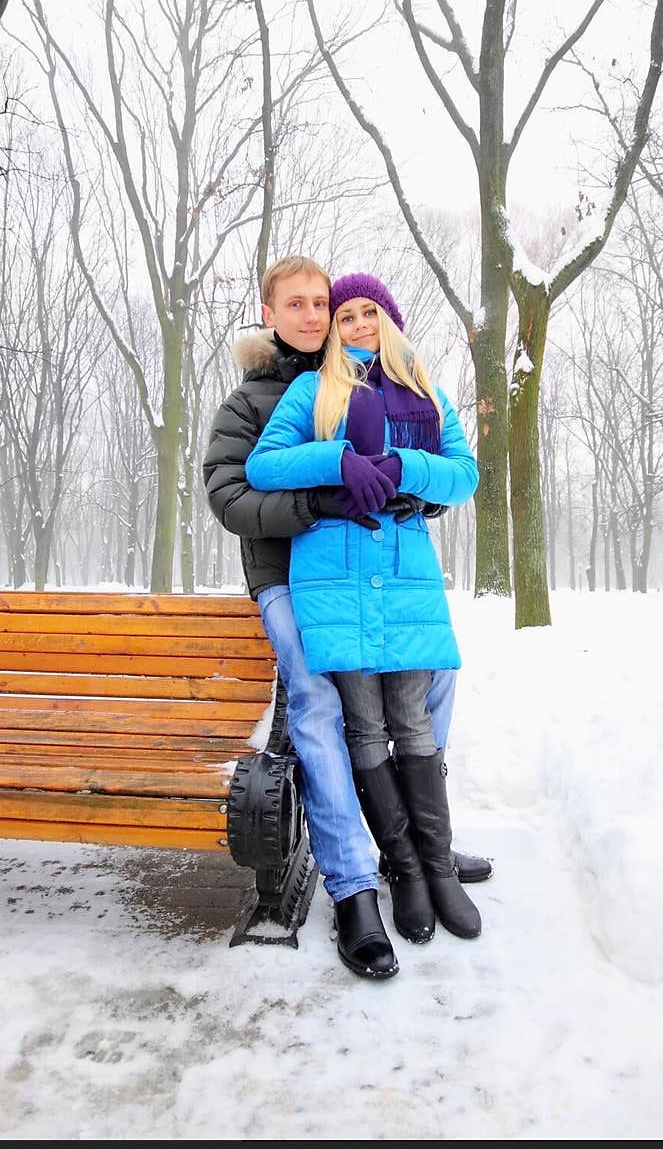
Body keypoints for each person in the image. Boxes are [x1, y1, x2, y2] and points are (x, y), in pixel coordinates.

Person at [203, 256, 489, 980]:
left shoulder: (385, 379)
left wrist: (407, 488)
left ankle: (421, 844)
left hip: (373, 571)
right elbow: (234, 498)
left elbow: (436, 470)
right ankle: (355, 879)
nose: (310, 314)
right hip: (288, 575)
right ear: (269, 314)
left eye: (319, 302)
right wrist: (328, 496)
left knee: (433, 685)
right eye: (293, 304)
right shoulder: (259, 398)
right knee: (323, 698)